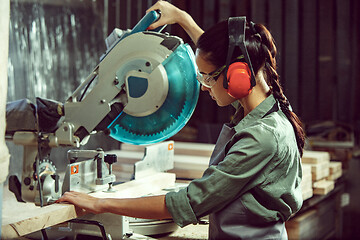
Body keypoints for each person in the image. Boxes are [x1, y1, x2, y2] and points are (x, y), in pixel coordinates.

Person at [57, 1, 305, 239]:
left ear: (237, 77)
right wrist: (181, 18)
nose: (204, 87)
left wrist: (99, 204)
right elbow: (222, 56)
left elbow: (191, 202)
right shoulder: (267, 107)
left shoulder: (262, 137)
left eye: (207, 78)